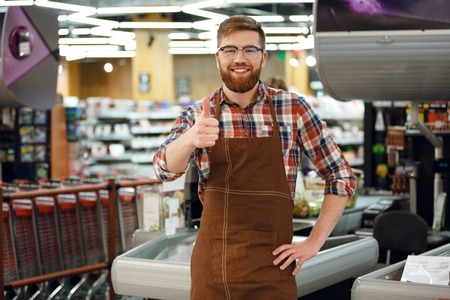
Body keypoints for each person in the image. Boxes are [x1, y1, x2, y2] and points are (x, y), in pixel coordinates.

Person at [153, 15, 355, 300]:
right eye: (230, 49)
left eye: (250, 50)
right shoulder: (198, 115)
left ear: (263, 57)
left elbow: (341, 175)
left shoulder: (292, 109)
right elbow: (163, 169)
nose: (240, 58)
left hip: (273, 269)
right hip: (213, 270)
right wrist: (190, 139)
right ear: (217, 57)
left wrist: (315, 241)